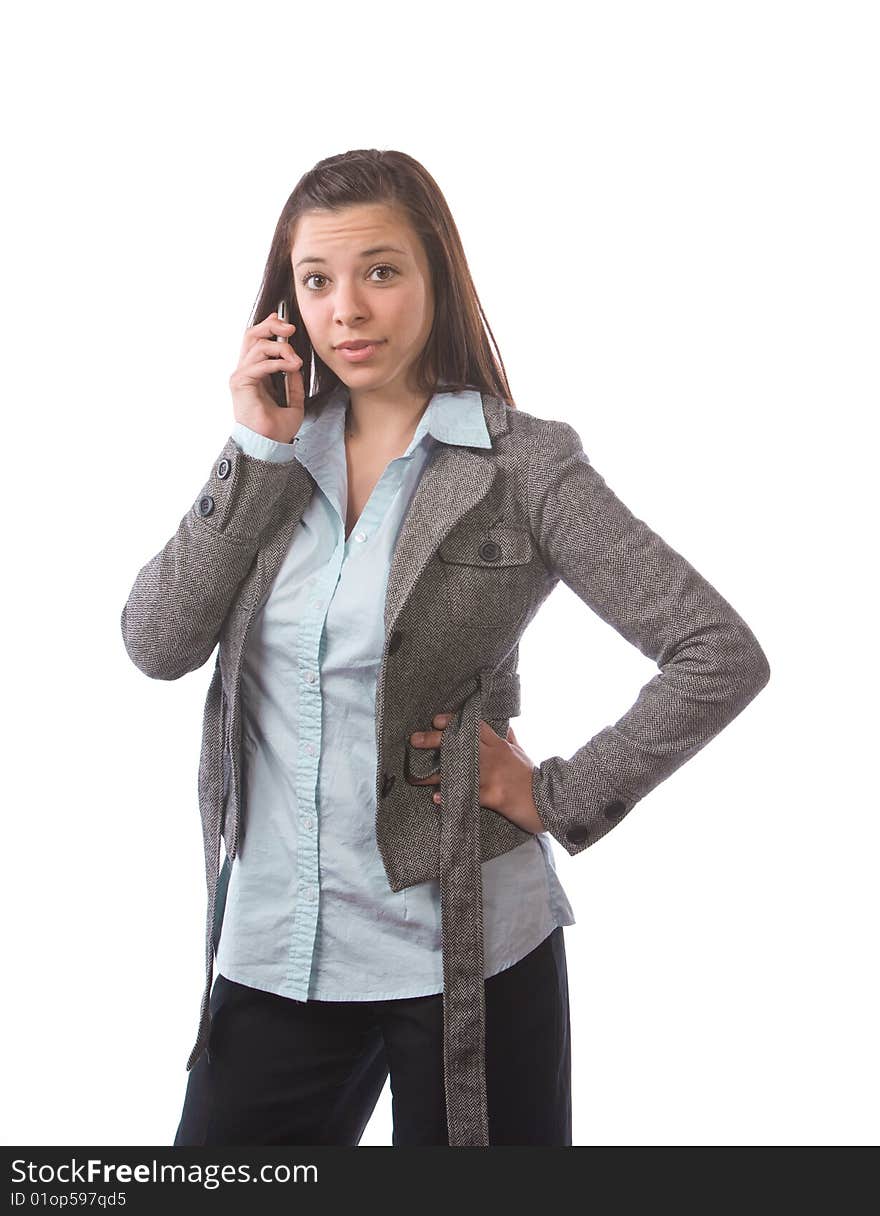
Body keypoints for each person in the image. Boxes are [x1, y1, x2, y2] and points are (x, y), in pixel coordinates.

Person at [120, 148, 770, 1147]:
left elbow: (714, 650)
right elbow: (156, 644)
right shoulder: (269, 459)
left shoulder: (522, 465)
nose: (347, 311)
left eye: (380, 272)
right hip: (275, 953)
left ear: (435, 275)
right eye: (317, 280)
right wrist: (249, 449)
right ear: (286, 303)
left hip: (466, 956)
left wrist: (554, 791)